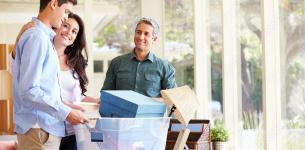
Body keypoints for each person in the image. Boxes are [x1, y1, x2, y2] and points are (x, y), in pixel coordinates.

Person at [11, 13, 99, 150]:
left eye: (74, 31)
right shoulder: (39, 47)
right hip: (46, 125)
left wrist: (98, 101)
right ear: (57, 26)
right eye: (66, 26)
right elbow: (21, 78)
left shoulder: (76, 62)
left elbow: (78, 97)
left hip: (72, 130)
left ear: (76, 38)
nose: (69, 32)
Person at [101, 17, 177, 97]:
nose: (141, 37)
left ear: (154, 39)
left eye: (146, 34)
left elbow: (172, 99)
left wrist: (148, 101)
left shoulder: (164, 67)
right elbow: (106, 95)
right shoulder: (116, 63)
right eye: (138, 32)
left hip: (150, 110)